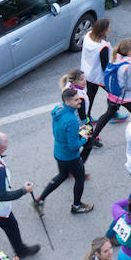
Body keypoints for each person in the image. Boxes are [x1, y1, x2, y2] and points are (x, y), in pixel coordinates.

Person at [38, 83, 92, 214]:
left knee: (62, 175)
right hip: (70, 156)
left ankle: (40, 200)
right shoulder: (72, 119)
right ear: (68, 102)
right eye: (76, 99)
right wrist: (85, 138)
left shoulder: (58, 109)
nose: (80, 101)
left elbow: (62, 128)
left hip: (58, 152)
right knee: (79, 179)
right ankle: (77, 206)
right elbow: (73, 145)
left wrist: (75, 131)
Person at [85, 39, 131, 150]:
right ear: (129, 51)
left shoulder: (114, 58)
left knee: (107, 115)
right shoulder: (129, 66)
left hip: (114, 96)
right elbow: (129, 86)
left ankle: (92, 137)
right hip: (128, 98)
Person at [79, 18, 112, 126]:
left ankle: (87, 117)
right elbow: (105, 67)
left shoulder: (88, 36)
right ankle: (112, 114)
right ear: (103, 31)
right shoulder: (103, 47)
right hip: (98, 77)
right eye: (108, 28)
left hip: (88, 73)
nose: (110, 29)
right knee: (113, 94)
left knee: (90, 96)